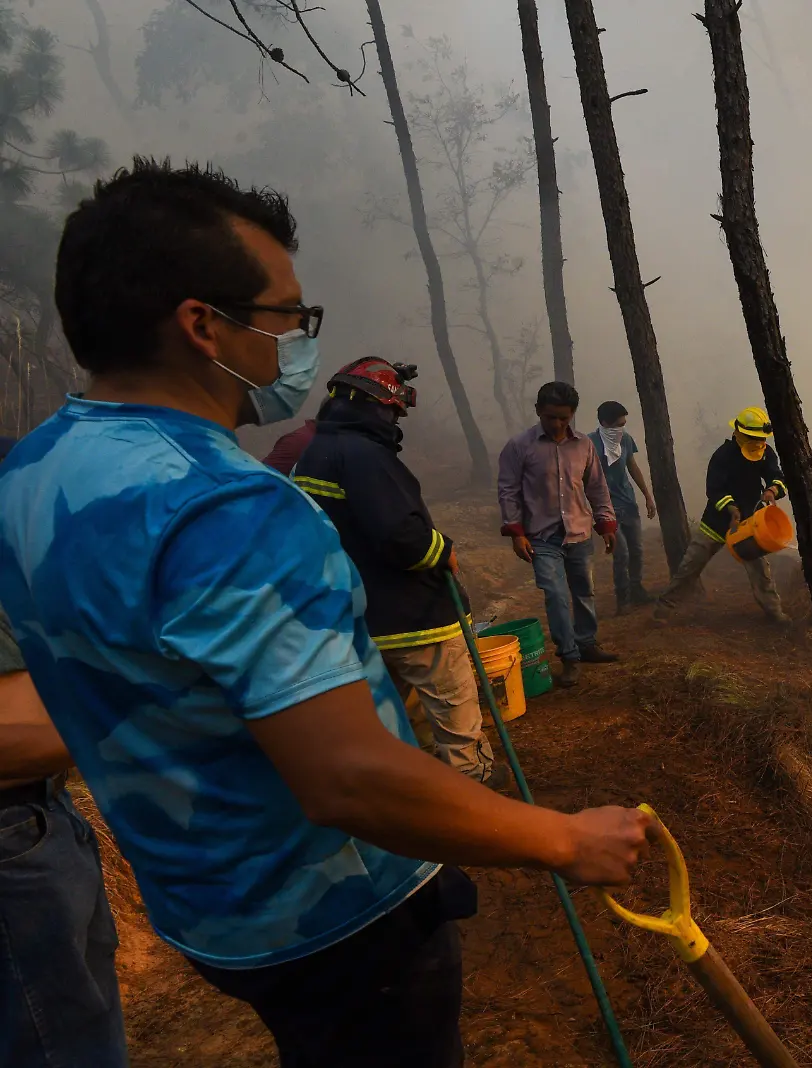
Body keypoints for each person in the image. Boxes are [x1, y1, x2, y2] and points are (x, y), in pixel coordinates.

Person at [0, 158, 651, 1067]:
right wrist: (563, 837)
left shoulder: (30, 474)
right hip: (340, 917)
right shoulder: (227, 507)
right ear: (204, 325)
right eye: (286, 316)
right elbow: (346, 776)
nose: (297, 340)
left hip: (206, 908)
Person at [292, 357, 497, 784]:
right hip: (419, 619)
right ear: (380, 407)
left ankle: (420, 788)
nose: (396, 421)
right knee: (454, 710)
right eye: (396, 411)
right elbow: (404, 536)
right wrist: (444, 552)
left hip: (362, 618)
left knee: (392, 717)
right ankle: (475, 784)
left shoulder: (313, 454)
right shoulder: (365, 456)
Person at [0, 606, 127, 1067]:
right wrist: (151, 710)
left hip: (37, 816)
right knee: (61, 1044)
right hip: (15, 842)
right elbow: (12, 737)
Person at [498, 382, 620, 685]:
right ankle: (569, 655)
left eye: (564, 418)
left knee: (584, 591)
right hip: (541, 535)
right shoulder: (519, 446)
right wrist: (516, 532)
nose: (557, 424)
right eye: (551, 417)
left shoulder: (584, 445)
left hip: (579, 531)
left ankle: (587, 643)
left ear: (572, 415)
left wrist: (605, 523)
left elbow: (596, 486)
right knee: (555, 595)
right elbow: (508, 491)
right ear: (539, 411)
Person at [654, 406, 791, 623]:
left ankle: (775, 613)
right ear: (739, 433)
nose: (757, 443)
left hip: (749, 525)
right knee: (690, 566)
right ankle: (664, 609)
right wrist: (730, 507)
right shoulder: (723, 456)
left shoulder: (765, 453)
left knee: (760, 572)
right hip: (716, 523)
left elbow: (778, 478)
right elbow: (714, 489)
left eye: (760, 438)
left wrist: (772, 490)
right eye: (753, 438)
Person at [589, 400, 658, 613]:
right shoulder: (589, 444)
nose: (621, 429)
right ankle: (623, 598)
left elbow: (632, 466)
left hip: (628, 503)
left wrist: (647, 495)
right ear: (603, 423)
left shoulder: (625, 440)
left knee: (637, 549)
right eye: (617, 424)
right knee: (623, 553)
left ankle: (637, 590)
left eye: (623, 424)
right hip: (607, 508)